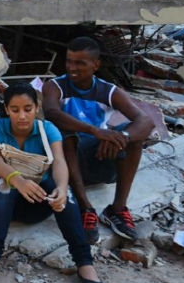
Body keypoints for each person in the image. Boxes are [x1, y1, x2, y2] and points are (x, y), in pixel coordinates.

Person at [0, 83, 105, 283]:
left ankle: (84, 263)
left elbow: (59, 162)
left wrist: (61, 189)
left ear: (37, 107)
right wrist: (18, 181)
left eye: (27, 109)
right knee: (3, 187)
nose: (22, 116)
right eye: (15, 110)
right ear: (6, 110)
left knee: (66, 195)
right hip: (3, 201)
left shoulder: (48, 129)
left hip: (38, 201)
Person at [42, 37, 153, 244]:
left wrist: (121, 138)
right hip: (64, 164)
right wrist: (96, 131)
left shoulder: (108, 91)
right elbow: (52, 113)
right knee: (64, 135)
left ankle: (117, 209)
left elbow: (146, 122)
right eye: (69, 61)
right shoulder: (54, 86)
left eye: (80, 63)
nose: (72, 67)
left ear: (96, 65)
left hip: (99, 157)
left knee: (131, 137)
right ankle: (85, 208)